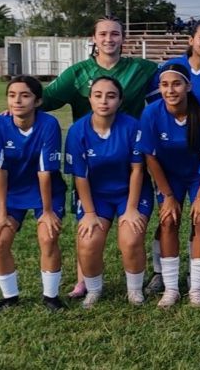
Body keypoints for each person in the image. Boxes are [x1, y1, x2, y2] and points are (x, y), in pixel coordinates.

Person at [39, 15, 159, 299]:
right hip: (90, 161)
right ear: (93, 38)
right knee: (88, 232)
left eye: (115, 33)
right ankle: (85, 282)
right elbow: (45, 98)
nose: (109, 39)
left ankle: (135, 286)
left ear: (123, 38)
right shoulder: (78, 73)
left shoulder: (140, 68)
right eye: (103, 34)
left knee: (130, 234)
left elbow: (176, 76)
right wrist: (18, 106)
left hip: (129, 156)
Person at [64, 77, 152, 308]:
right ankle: (94, 290)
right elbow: (80, 176)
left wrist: (131, 209)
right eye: (98, 95)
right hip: (96, 196)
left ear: (120, 101)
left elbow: (137, 170)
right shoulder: (77, 131)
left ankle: (134, 290)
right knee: (88, 240)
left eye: (111, 96)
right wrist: (89, 213)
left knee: (131, 238)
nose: (104, 101)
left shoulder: (132, 127)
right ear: (90, 99)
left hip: (129, 193)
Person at [0, 75, 65, 312]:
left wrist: (47, 211)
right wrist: (1, 212)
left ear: (37, 101)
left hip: (46, 191)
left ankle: (51, 297)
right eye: (12, 95)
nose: (17, 101)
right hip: (12, 192)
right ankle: (10, 297)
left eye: (25, 95)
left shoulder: (49, 124)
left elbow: (45, 173)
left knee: (48, 237)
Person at [138, 64, 200, 307]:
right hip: (168, 176)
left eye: (177, 84)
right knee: (168, 220)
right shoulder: (152, 113)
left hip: (199, 175)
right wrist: (168, 195)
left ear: (188, 86)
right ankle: (171, 288)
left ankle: (196, 288)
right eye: (165, 85)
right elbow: (150, 156)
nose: (170, 90)